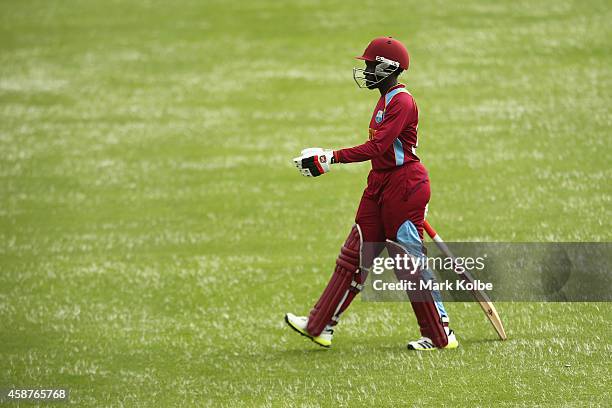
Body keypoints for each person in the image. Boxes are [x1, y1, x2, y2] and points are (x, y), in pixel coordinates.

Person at [286, 37, 458, 350]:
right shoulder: (384, 99)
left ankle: (440, 335)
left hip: (404, 186)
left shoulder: (402, 102)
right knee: (354, 254)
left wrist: (331, 157)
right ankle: (319, 325)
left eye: (369, 64)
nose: (365, 70)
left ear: (387, 67)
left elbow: (378, 147)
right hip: (380, 184)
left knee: (406, 262)